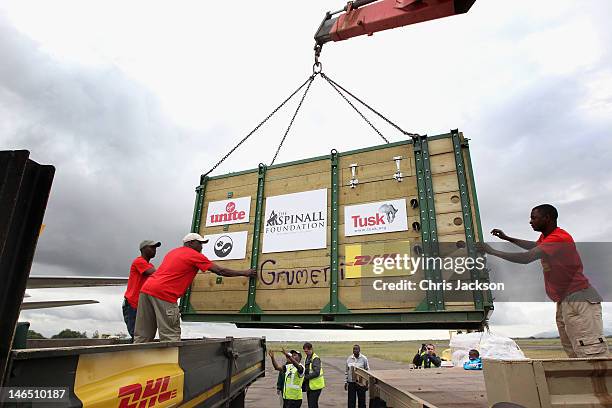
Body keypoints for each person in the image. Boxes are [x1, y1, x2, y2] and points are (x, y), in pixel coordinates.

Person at [477, 204, 609, 358]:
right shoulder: (547, 238)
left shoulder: (559, 238)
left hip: (579, 299)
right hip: (565, 300)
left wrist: (491, 251)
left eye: (534, 217)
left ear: (547, 218)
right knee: (574, 350)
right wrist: (507, 238)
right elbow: (534, 247)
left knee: (591, 349)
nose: (530, 221)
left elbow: (527, 258)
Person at [133, 233, 256, 343]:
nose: (202, 247)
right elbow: (220, 271)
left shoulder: (173, 252)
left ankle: (137, 365)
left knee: (143, 335)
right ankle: (170, 367)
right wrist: (245, 273)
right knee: (170, 336)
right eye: (200, 243)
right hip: (164, 294)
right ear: (191, 243)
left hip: (146, 290)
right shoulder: (194, 255)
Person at [123, 240, 160, 340]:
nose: (154, 250)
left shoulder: (150, 265)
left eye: (155, 248)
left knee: (142, 335)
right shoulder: (139, 262)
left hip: (140, 305)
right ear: (143, 249)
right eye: (151, 247)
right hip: (132, 304)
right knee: (137, 334)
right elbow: (155, 274)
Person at [302, 342, 325, 408]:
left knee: (312, 405)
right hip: (309, 386)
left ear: (311, 349)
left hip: (316, 386)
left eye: (307, 351)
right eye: (305, 351)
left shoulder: (315, 358)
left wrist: (305, 377)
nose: (306, 352)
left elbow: (316, 372)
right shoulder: (307, 357)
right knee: (311, 405)